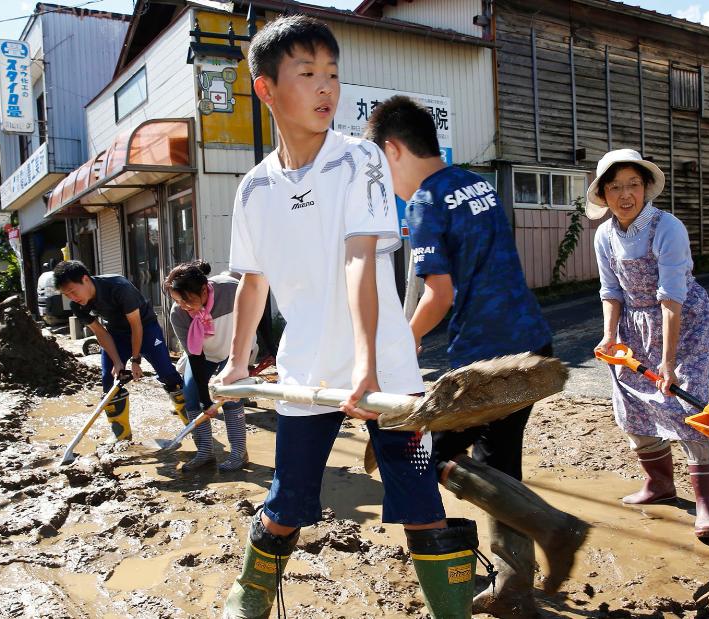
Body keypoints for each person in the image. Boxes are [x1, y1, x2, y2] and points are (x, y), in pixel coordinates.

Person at [215, 15, 477, 619]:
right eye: (307, 74)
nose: (326, 87)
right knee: (286, 502)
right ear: (266, 89)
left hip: (384, 368)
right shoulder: (254, 189)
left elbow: (363, 260)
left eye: (332, 73)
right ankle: (248, 601)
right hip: (307, 372)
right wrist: (235, 364)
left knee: (417, 499)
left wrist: (368, 366)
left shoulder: (360, 160)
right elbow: (253, 282)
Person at [366, 96, 585, 614]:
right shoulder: (476, 184)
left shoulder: (424, 202)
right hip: (532, 344)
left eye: (381, 166)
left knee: (434, 454)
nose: (386, 182)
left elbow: (436, 296)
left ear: (394, 150)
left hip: (486, 362)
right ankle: (515, 590)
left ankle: (555, 528)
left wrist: (403, 341)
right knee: (500, 464)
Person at [588, 148, 709, 539]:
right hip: (633, 325)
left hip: (681, 321)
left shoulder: (667, 228)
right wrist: (610, 336)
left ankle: (706, 507)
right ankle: (659, 485)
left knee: (686, 406)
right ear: (604, 194)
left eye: (633, 185)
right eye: (615, 187)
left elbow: (670, 296)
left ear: (646, 188)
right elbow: (611, 290)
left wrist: (667, 361)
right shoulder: (605, 235)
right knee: (630, 404)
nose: (625, 195)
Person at [53, 260, 187, 442]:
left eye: (73, 291)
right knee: (109, 381)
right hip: (116, 333)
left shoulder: (118, 286)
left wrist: (135, 359)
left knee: (167, 374)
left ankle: (193, 422)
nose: (72, 297)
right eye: (66, 294)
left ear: (85, 279)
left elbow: (136, 325)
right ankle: (122, 436)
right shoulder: (78, 306)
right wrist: (117, 362)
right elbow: (101, 333)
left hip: (145, 328)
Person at [164, 260, 256, 472]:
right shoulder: (178, 314)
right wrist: (206, 401)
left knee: (231, 397)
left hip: (235, 351)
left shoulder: (231, 290)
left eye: (186, 299)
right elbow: (195, 358)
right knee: (191, 394)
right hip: (205, 355)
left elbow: (255, 314)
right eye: (178, 301)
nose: (184, 306)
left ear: (204, 289)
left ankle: (239, 453)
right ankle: (205, 451)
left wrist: (264, 347)